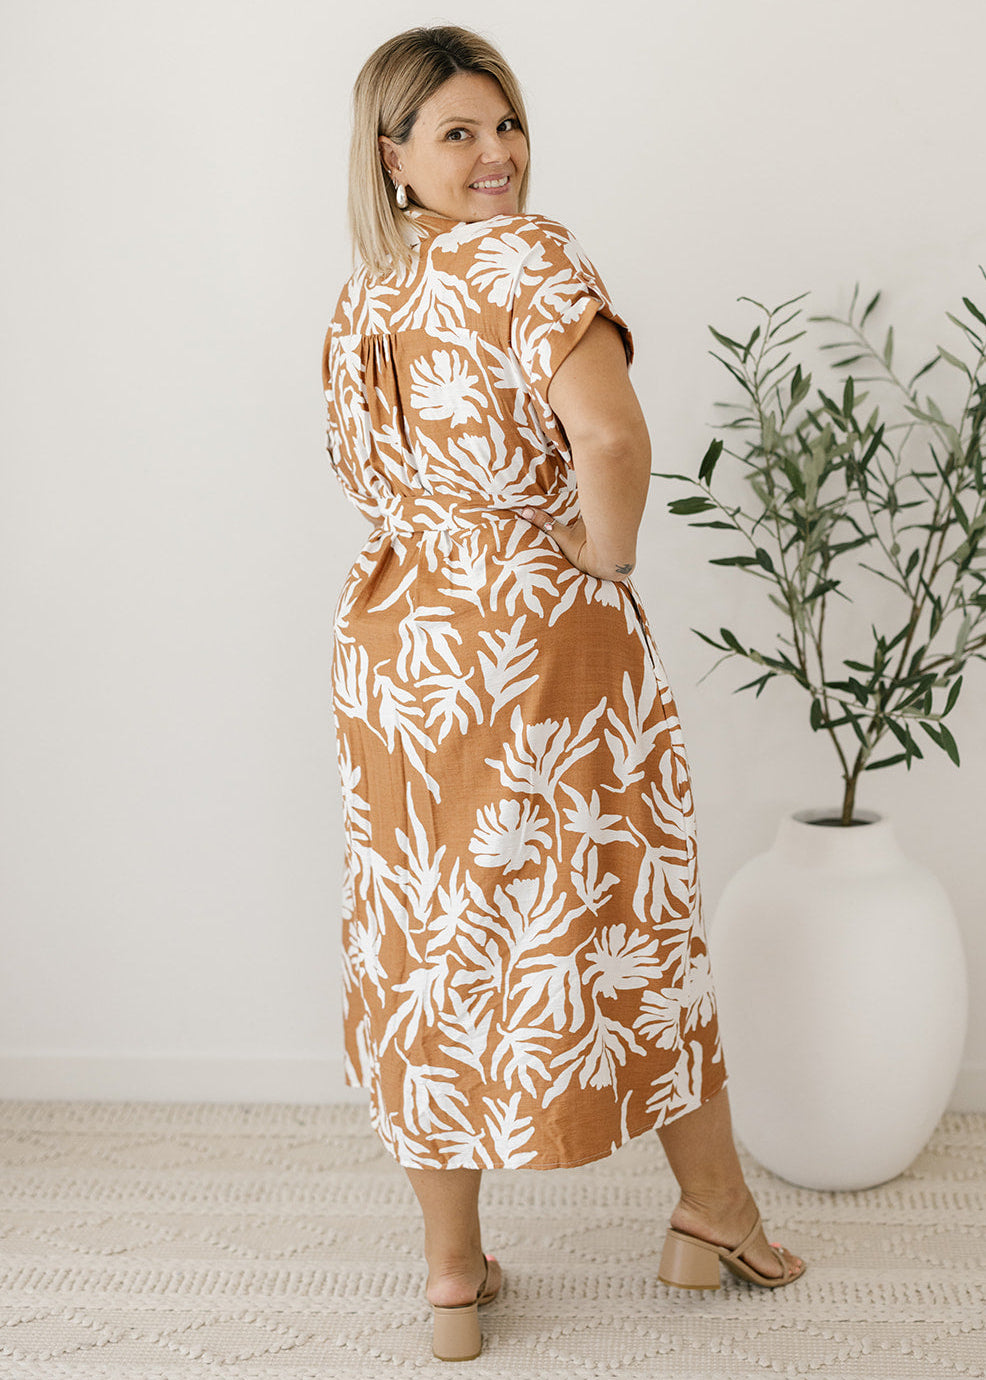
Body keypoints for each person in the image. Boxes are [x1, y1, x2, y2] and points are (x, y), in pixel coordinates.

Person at [322, 24, 806, 1363]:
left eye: (507, 124)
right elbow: (609, 431)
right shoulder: (528, 258)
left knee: (424, 945)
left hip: (400, 649)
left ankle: (452, 1277)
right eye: (458, 133)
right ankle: (713, 1212)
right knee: (626, 915)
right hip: (537, 643)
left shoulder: (368, 295)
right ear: (391, 156)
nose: (497, 155)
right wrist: (606, 558)